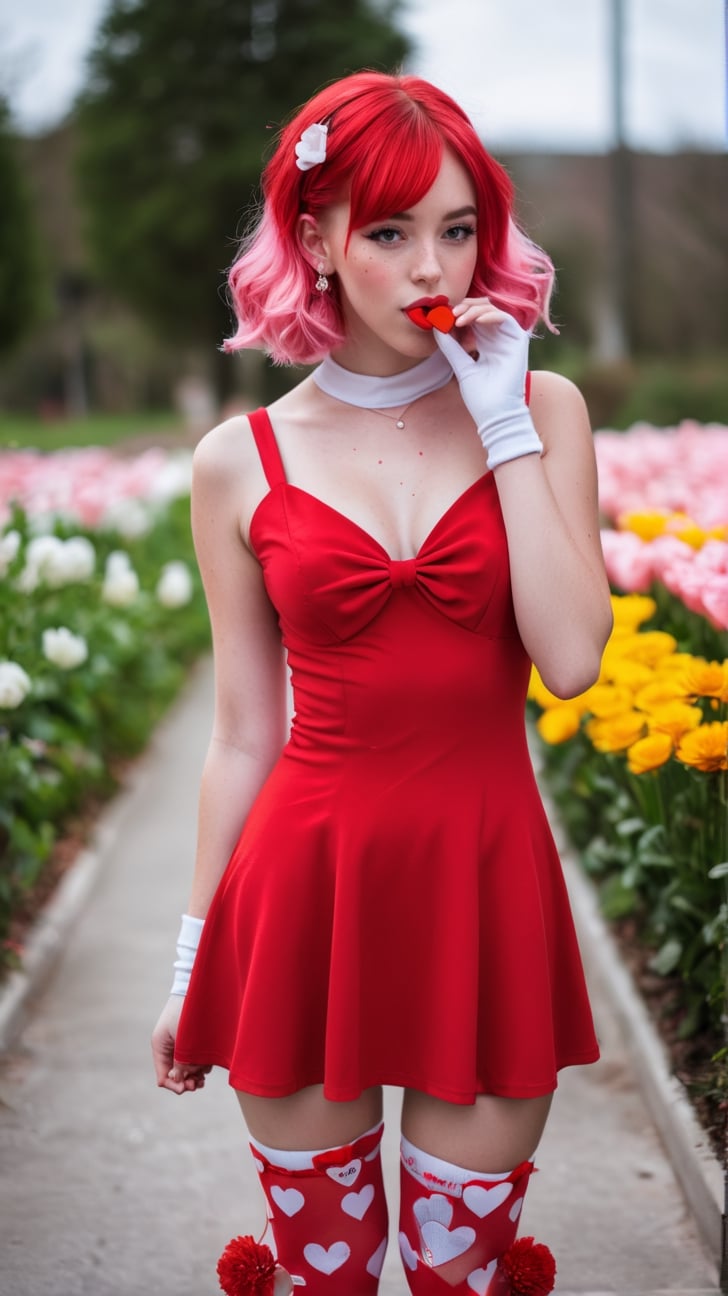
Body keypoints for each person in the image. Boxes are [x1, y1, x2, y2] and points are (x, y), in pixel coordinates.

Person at [151, 70, 613, 1296]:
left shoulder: (544, 411)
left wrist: (500, 419)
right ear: (315, 240)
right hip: (303, 901)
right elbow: (243, 734)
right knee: (328, 1283)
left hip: (483, 889)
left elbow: (569, 662)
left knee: (456, 1281)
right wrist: (197, 954)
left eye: (458, 231)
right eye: (391, 233)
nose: (432, 272)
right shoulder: (234, 462)